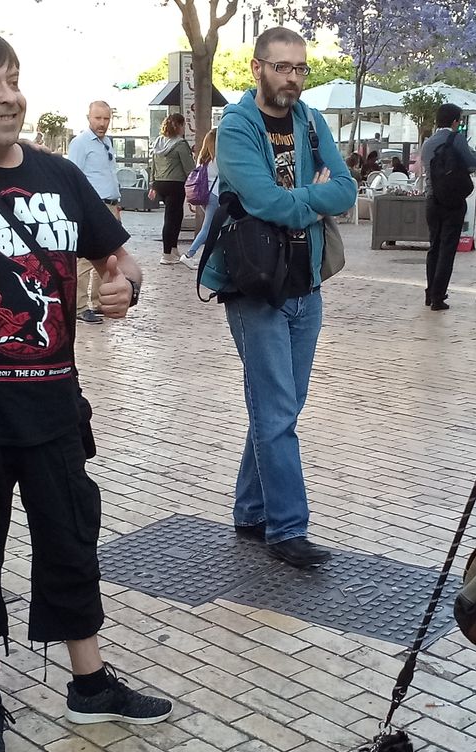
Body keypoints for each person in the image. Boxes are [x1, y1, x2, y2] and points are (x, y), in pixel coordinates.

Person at [0, 29, 172, 752]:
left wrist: (125, 289)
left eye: (14, 79)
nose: (8, 96)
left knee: (72, 543)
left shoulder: (62, 177)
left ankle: (88, 682)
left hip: (56, 409)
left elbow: (120, 266)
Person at [198, 26, 356, 568]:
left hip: (305, 286)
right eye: (282, 67)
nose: (292, 78)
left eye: (300, 68)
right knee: (277, 413)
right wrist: (313, 198)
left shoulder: (311, 120)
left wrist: (300, 198)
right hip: (255, 287)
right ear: (257, 68)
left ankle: (249, 510)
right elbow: (264, 200)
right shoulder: (236, 127)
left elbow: (348, 188)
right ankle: (286, 529)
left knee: (280, 409)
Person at [66, 99, 122, 324]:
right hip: (91, 206)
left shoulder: (106, 142)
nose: (102, 123)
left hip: (109, 205)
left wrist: (117, 205)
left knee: (109, 256)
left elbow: (110, 173)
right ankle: (80, 306)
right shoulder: (81, 143)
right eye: (98, 118)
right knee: (86, 259)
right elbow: (73, 175)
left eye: (106, 118)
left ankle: (101, 301)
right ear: (88, 117)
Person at [420, 102, 476, 311]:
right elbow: (472, 163)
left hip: (432, 200)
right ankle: (438, 296)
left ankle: (429, 292)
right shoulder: (456, 139)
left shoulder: (427, 144)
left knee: (434, 246)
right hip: (453, 201)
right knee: (447, 249)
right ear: (455, 121)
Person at [149, 112, 195, 265]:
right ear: (180, 126)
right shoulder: (180, 145)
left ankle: (173, 249)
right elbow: (189, 167)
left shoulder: (158, 142)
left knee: (174, 216)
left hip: (160, 183)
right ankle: (166, 254)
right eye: (183, 125)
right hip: (175, 184)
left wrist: (153, 184)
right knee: (172, 219)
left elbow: (152, 165)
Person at [184, 127, 220, 261]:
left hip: (205, 195)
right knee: (207, 228)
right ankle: (189, 255)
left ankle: (213, 256)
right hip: (215, 195)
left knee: (215, 228)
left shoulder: (202, 159)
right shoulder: (217, 160)